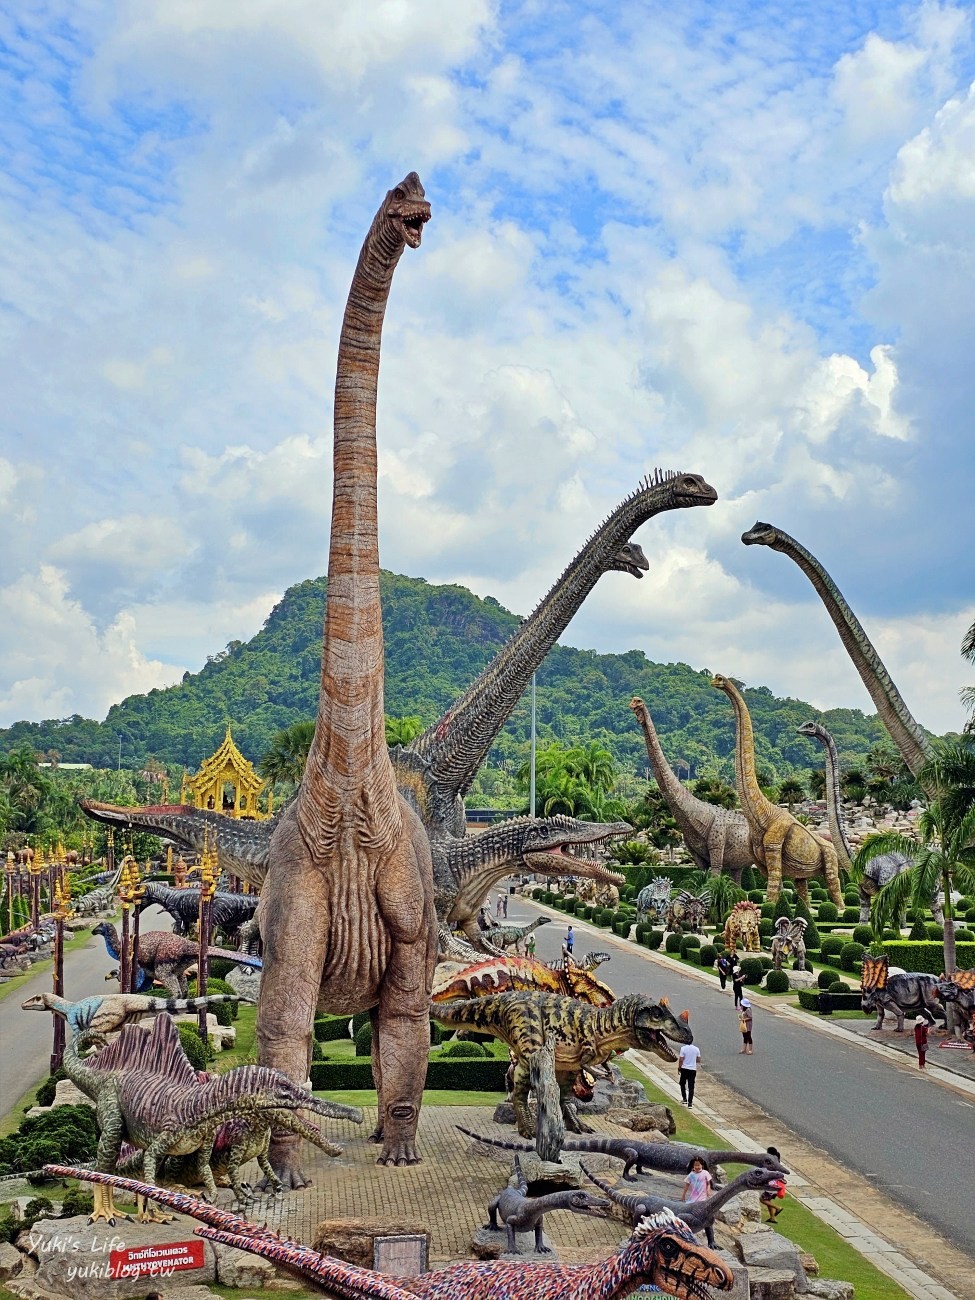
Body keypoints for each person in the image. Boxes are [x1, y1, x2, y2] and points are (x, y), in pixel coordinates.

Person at [759, 1148, 785, 1223]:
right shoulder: (777, 1163)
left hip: (771, 1186)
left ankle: (777, 1208)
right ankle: (772, 1218)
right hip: (775, 1186)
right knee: (768, 1201)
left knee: (762, 1199)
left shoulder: (770, 1164)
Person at [677, 1041, 701, 1108]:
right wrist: (693, 1061)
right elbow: (698, 1060)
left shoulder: (683, 1048)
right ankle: (690, 1103)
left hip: (684, 1068)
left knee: (682, 1083)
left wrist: (679, 1067)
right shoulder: (696, 1049)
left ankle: (684, 1098)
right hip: (692, 1069)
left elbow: (681, 1059)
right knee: (691, 1086)